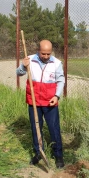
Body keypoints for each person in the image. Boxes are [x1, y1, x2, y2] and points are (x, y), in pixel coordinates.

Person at [16, 39, 65, 169]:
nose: (46, 56)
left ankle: (58, 155)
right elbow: (18, 73)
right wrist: (23, 66)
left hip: (50, 101)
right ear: (39, 51)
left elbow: (61, 80)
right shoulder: (30, 60)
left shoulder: (57, 63)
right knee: (36, 127)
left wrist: (57, 96)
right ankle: (38, 152)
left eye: (48, 54)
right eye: (43, 54)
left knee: (54, 128)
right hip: (34, 101)